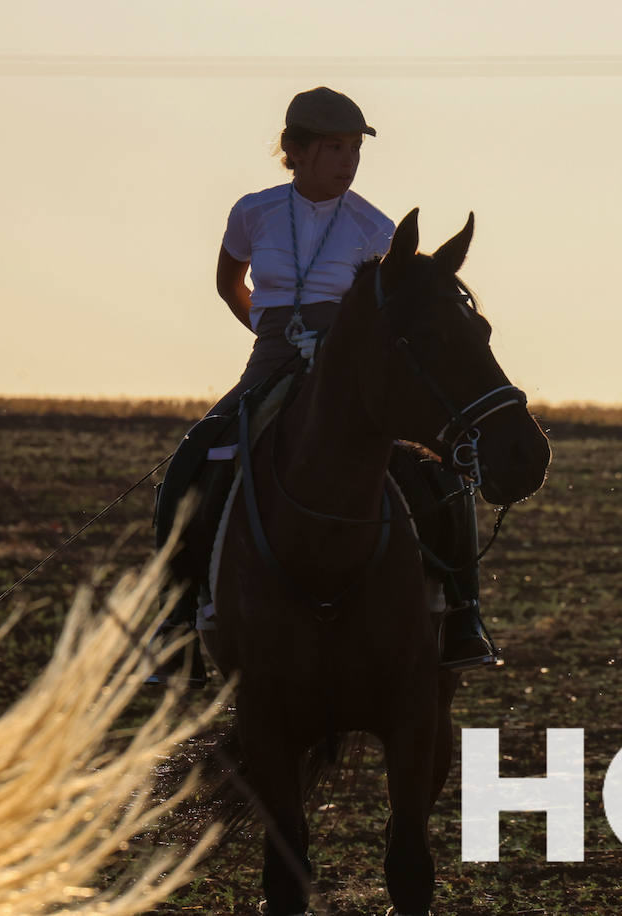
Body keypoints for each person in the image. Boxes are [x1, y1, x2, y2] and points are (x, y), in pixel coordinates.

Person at [148, 87, 496, 685]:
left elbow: (388, 314)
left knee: (438, 469)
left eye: (355, 148)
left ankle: (464, 613)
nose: (349, 160)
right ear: (296, 150)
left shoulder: (375, 226)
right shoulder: (251, 212)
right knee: (192, 459)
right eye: (336, 147)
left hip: (349, 365)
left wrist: (342, 348)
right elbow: (229, 280)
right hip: (272, 359)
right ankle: (178, 619)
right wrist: (269, 331)